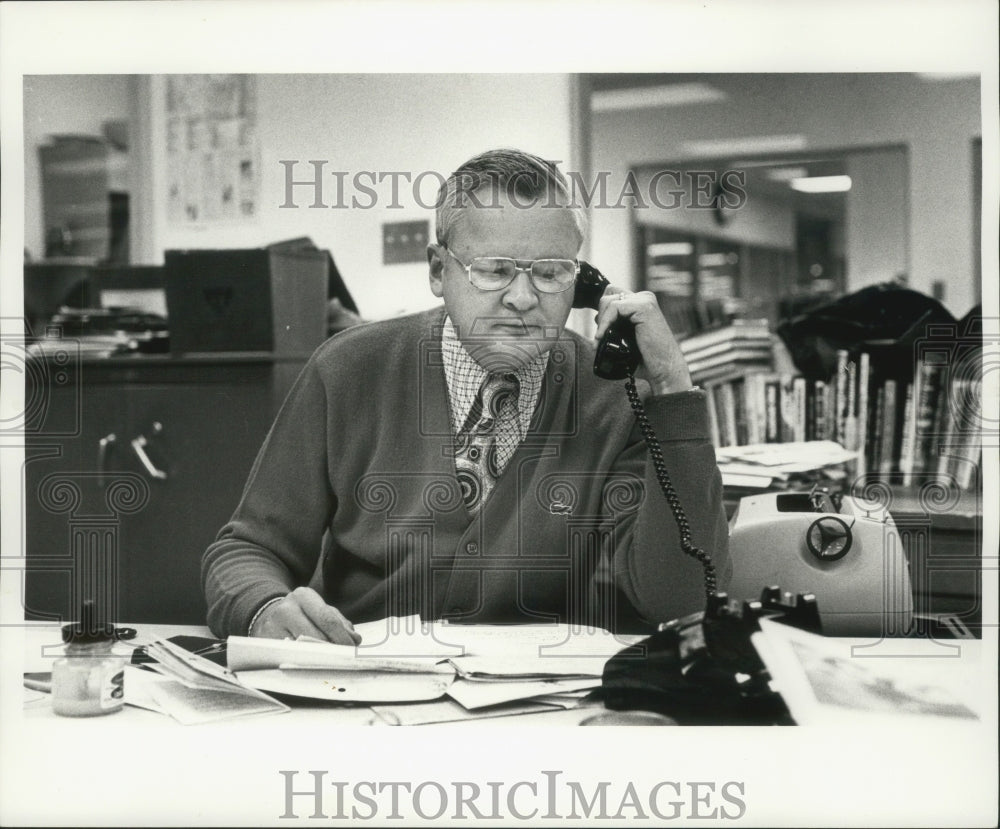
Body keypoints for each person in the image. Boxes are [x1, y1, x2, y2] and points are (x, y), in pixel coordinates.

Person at [201, 148, 730, 643]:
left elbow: (679, 602)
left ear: (582, 282)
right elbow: (245, 549)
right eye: (494, 270)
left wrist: (671, 391)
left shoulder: (614, 395)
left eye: (550, 274)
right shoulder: (347, 370)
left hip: (544, 709)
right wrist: (263, 608)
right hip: (369, 692)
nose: (523, 299)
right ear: (438, 270)